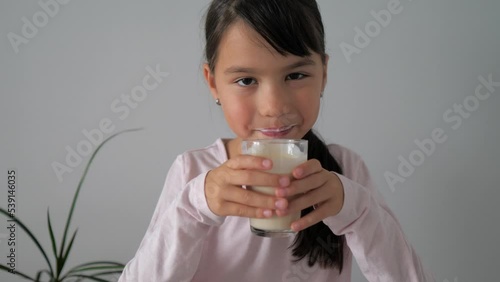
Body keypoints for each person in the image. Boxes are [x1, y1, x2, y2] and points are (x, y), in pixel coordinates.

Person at [119, 0, 435, 281]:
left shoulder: (345, 171)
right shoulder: (193, 172)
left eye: (295, 75)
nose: (274, 107)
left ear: (323, 73)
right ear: (213, 83)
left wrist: (353, 208)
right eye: (246, 80)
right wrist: (195, 206)